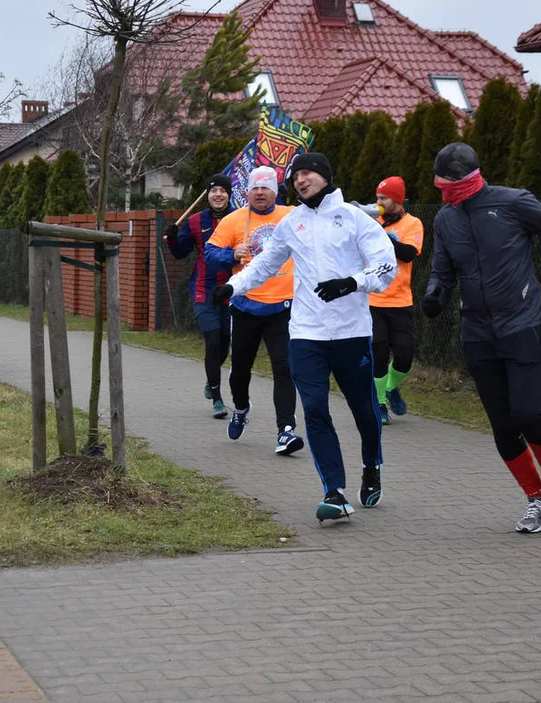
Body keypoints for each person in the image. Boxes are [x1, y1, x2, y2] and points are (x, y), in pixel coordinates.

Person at [214, 153, 397, 521]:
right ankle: (334, 491)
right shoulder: (291, 222)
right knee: (314, 408)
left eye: (308, 172)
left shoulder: (354, 218)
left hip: (351, 333)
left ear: (326, 176)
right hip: (306, 334)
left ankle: (371, 465)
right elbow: (265, 264)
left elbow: (386, 264)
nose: (300, 180)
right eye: (295, 175)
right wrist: (233, 287)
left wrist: (353, 282)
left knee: (364, 411)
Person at [422, 142, 541, 534]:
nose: (442, 191)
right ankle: (536, 501)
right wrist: (434, 295)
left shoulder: (513, 203)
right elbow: (442, 269)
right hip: (477, 332)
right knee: (503, 426)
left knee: (528, 413)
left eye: (446, 184)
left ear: (464, 180)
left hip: (521, 322)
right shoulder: (445, 219)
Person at [204, 166, 304, 456]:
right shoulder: (234, 220)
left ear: (275, 190)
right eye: (255, 188)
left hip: (283, 307)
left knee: (285, 368)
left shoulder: (291, 216)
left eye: (266, 187)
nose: (260, 192)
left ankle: (286, 430)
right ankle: (242, 407)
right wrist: (231, 254)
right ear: (247, 191)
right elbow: (210, 254)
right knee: (240, 372)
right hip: (245, 306)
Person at [353, 177, 423, 425]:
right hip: (373, 300)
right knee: (378, 354)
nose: (378, 202)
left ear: (397, 199)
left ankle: (391, 387)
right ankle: (379, 402)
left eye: (383, 198)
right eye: (377, 198)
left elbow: (408, 253)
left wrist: (385, 237)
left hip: (401, 302)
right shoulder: (372, 222)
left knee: (405, 355)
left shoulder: (412, 223)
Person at [164, 174, 234, 419]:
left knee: (224, 344)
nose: (218, 195)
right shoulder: (195, 221)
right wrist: (173, 237)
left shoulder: (240, 218)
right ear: (207, 194)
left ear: (229, 194)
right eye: (213, 190)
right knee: (213, 341)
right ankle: (217, 398)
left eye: (222, 191)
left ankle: (210, 377)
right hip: (204, 290)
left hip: (233, 290)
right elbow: (181, 252)